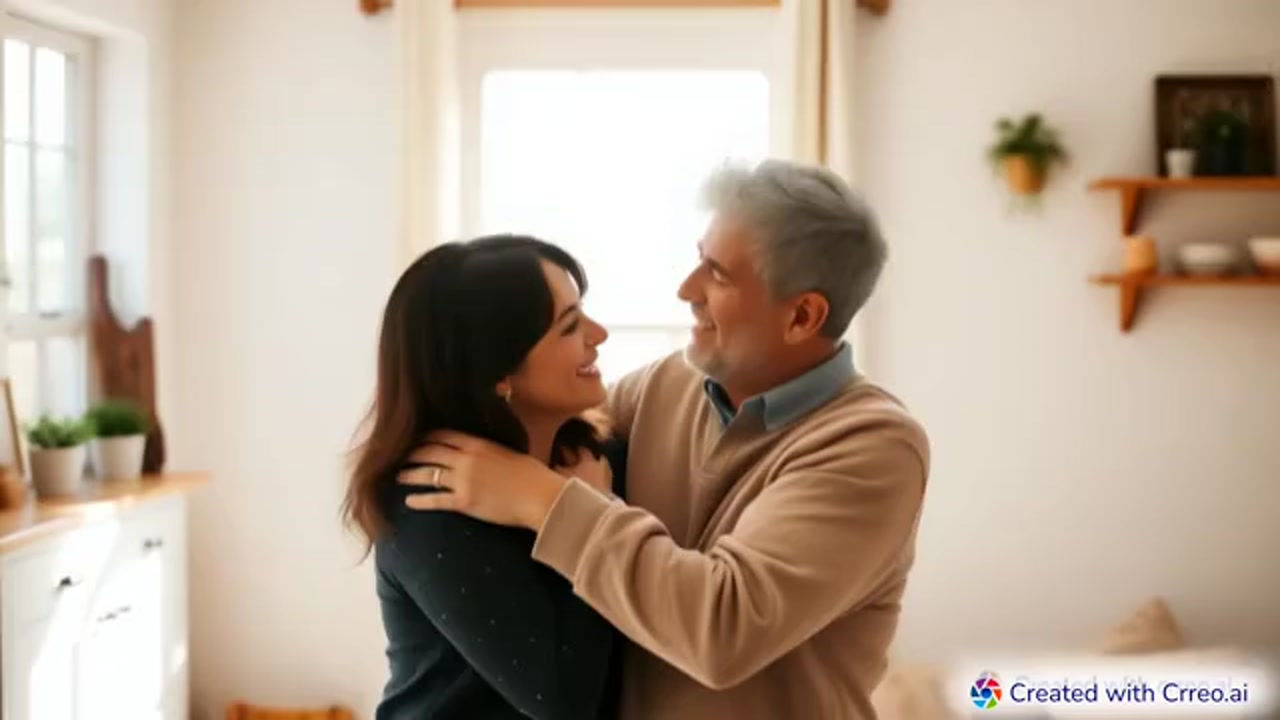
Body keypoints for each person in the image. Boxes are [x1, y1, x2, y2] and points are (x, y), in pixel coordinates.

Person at [400, 159, 931, 720]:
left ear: (802, 316)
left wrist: (548, 501)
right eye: (699, 258)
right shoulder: (665, 386)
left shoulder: (873, 446)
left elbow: (724, 629)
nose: (686, 289)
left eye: (718, 275)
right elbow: (533, 431)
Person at [342, 234, 627, 720]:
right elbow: (565, 702)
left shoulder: (595, 457)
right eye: (569, 326)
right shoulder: (429, 504)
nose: (598, 334)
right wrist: (588, 512)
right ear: (499, 373)